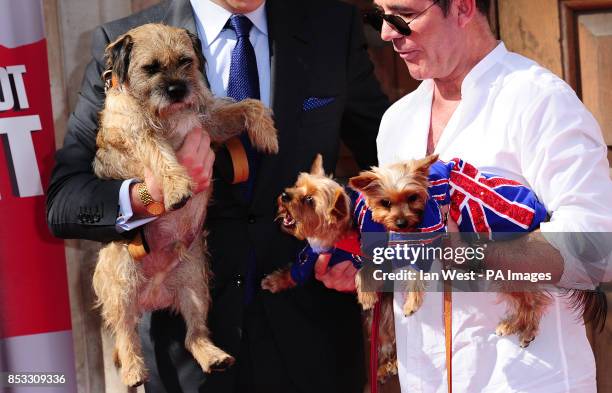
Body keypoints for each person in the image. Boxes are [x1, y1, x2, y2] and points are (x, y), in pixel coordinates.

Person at [46, 0, 389, 392]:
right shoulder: (125, 41)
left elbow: (386, 157)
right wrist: (150, 195)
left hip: (316, 343)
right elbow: (65, 202)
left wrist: (370, 256)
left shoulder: (332, 25)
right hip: (187, 355)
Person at [316, 0, 612, 392]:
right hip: (425, 378)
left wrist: (472, 253)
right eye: (379, 17)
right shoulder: (397, 121)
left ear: (462, 7)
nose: (387, 33)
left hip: (524, 378)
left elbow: (597, 252)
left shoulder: (539, 100)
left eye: (403, 15)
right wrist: (371, 264)